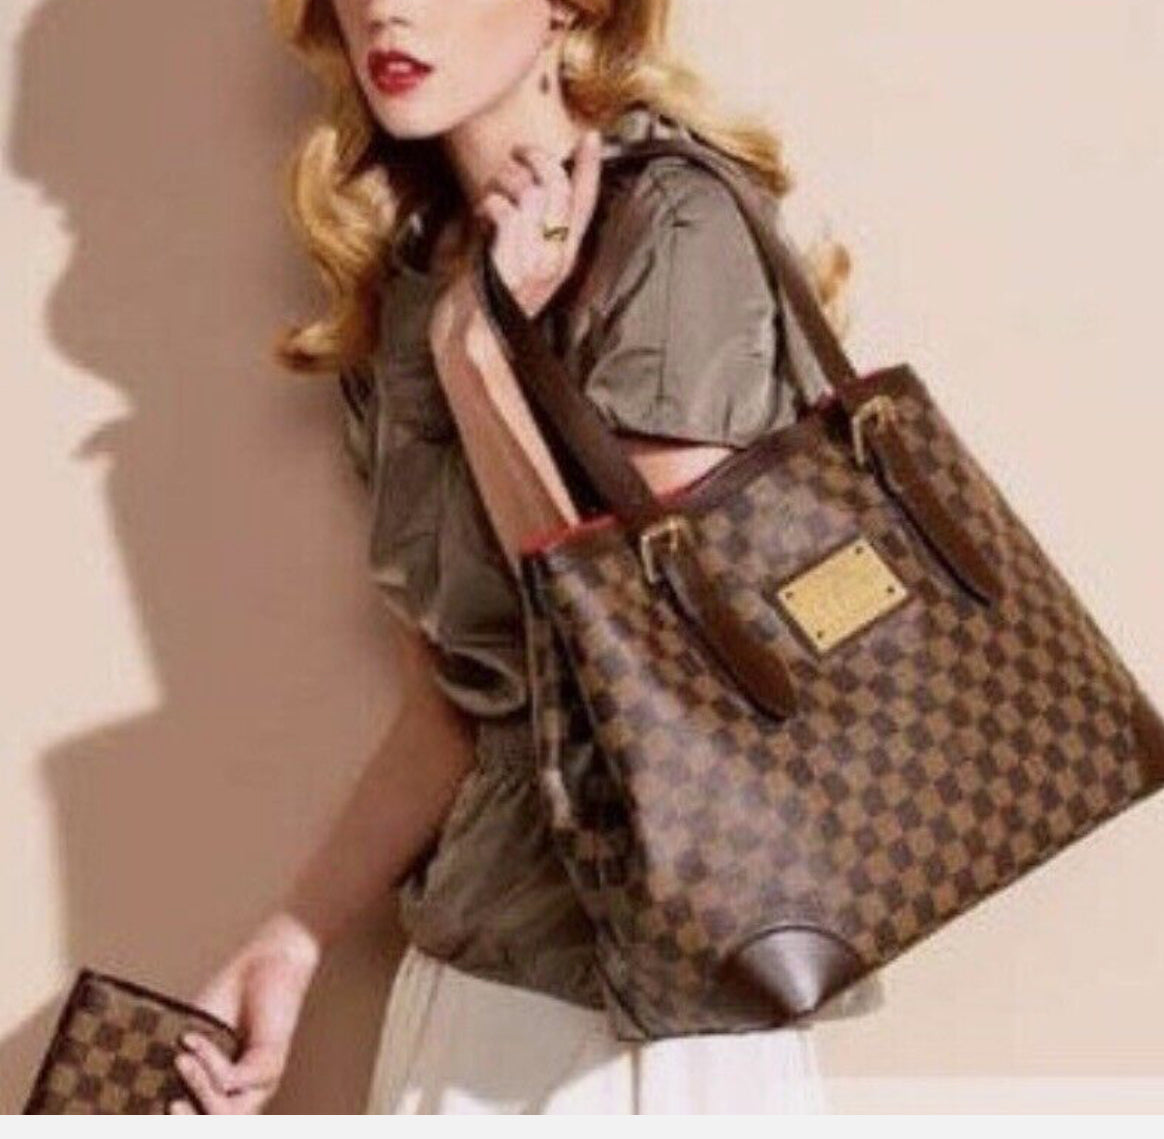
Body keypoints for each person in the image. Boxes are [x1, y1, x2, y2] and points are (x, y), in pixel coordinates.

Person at [167, 0, 853, 1114]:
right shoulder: (405, 270)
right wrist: (291, 941)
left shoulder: (673, 228)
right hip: (466, 986)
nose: (386, 8)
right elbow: (454, 707)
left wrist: (484, 362)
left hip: (657, 1026)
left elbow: (662, 677)